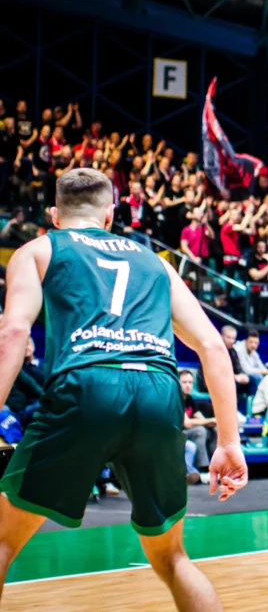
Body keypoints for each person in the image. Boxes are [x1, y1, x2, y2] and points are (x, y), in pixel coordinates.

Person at [0, 168, 247, 608]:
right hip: (157, 391)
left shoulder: (37, 250)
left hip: (86, 384)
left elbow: (14, 333)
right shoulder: (155, 263)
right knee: (172, 558)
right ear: (111, 214)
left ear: (55, 215)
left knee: (1, 543)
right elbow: (212, 346)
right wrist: (229, 441)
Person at [180, 370, 217, 482]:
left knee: (213, 430)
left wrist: (211, 422)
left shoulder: (189, 399)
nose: (188, 385)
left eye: (190, 382)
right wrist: (207, 421)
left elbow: (199, 417)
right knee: (200, 431)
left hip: (187, 432)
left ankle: (216, 466)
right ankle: (203, 468)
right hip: (176, 432)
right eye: (184, 382)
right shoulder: (176, 398)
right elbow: (186, 423)